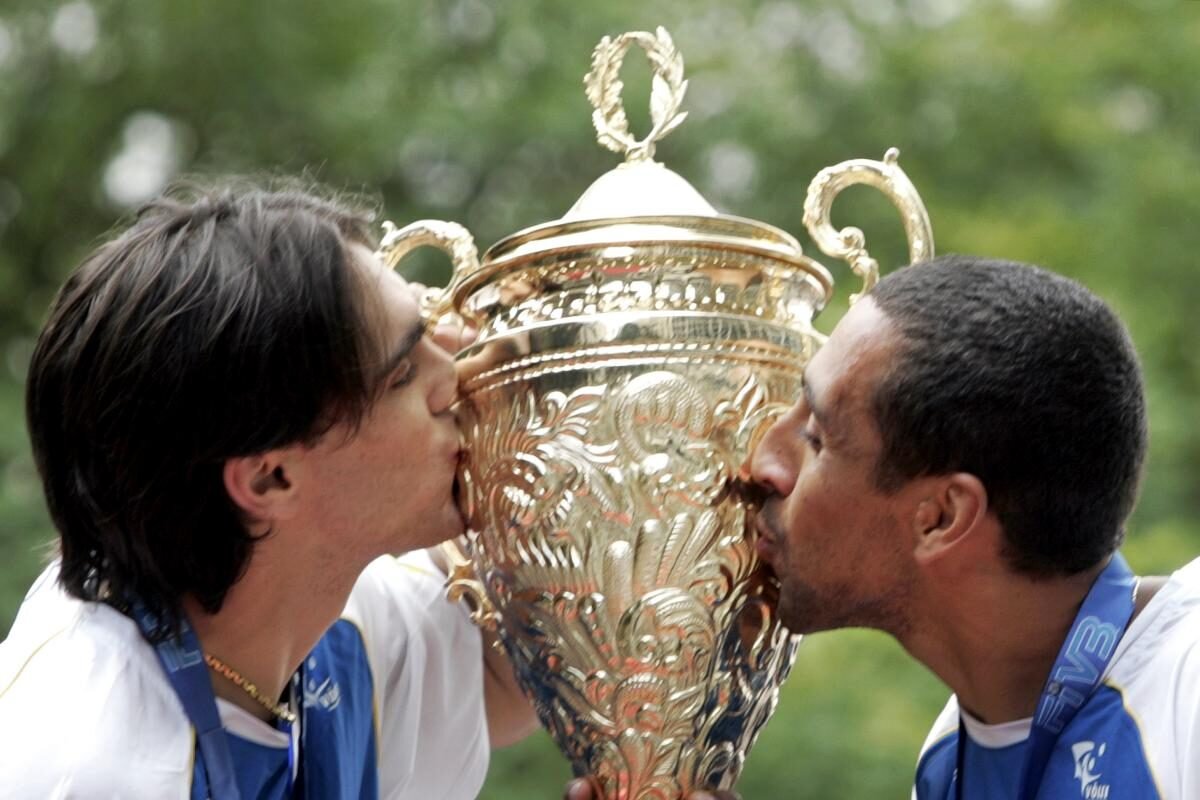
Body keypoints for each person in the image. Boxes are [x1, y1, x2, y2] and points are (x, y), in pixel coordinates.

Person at [568, 254, 1199, 800]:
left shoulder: (1186, 682)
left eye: (816, 437)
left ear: (942, 517)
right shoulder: (951, 759)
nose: (762, 461)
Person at [0, 183, 537, 798]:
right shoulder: (85, 768)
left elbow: (508, 675)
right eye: (406, 372)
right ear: (269, 478)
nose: (461, 376)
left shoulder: (328, 620)